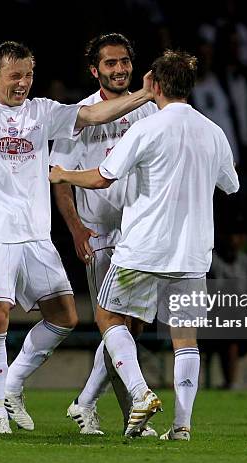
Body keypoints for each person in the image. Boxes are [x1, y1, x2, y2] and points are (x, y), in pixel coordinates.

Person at [0, 41, 154, 435]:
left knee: (65, 316)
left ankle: (12, 385)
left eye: (29, 75)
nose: (23, 83)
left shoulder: (42, 111)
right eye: (16, 75)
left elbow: (91, 114)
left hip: (35, 234)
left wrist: (142, 95)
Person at [50, 50, 240, 440]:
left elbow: (104, 177)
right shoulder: (213, 132)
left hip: (143, 248)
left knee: (108, 319)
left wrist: (63, 174)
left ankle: (139, 393)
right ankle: (181, 426)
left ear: (155, 84)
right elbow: (231, 185)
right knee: (185, 342)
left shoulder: (147, 127)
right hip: (192, 253)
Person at [50, 33, 158, 436]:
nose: (119, 69)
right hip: (100, 235)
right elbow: (59, 178)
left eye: (124, 62)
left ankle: (87, 403)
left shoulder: (148, 111)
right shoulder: (78, 115)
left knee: (130, 328)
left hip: (140, 234)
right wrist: (76, 228)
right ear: (95, 70)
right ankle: (129, 410)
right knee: (115, 325)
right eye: (110, 64)